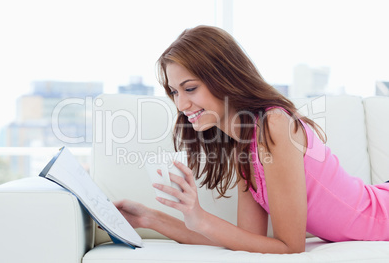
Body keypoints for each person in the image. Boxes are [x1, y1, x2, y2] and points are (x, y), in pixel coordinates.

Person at [114, 25, 389, 254]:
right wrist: (148, 218)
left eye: (190, 88)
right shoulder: (245, 146)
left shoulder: (275, 125)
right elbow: (246, 241)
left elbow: (290, 247)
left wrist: (200, 216)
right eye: (174, 92)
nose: (182, 104)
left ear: (223, 77)